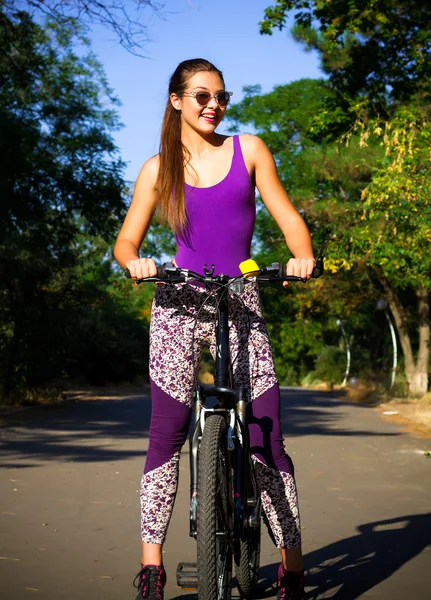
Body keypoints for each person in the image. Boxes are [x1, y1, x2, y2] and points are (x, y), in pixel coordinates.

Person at [114, 58, 315, 600]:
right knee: (168, 430)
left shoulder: (249, 150)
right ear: (177, 100)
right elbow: (125, 241)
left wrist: (301, 256)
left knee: (266, 438)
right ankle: (152, 568)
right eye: (201, 95)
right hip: (179, 300)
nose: (213, 105)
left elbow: (286, 214)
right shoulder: (159, 170)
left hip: (241, 296)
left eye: (221, 96)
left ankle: (291, 567)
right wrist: (135, 262)